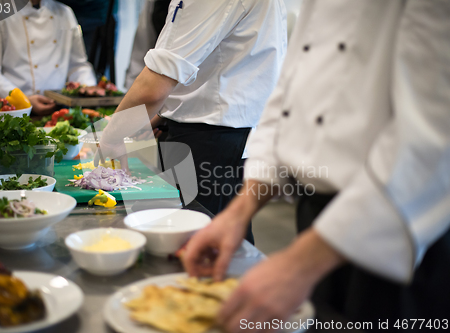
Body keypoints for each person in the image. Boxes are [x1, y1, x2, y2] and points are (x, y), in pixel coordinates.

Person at [182, 1, 450, 332]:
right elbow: (288, 93)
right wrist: (238, 213)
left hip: (400, 225)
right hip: (315, 219)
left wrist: (299, 265)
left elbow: (435, 137)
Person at [97, 0, 287, 243]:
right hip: (230, 137)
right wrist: (163, 114)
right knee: (225, 242)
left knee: (199, 246)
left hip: (209, 142)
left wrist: (111, 137)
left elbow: (153, 88)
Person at [0, 0, 96, 116]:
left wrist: (88, 87)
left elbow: (78, 66)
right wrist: (25, 100)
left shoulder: (65, 13)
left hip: (60, 113)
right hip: (13, 113)